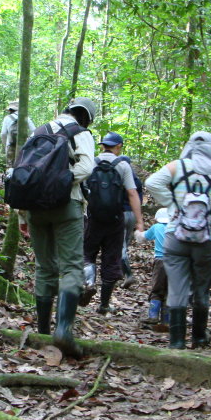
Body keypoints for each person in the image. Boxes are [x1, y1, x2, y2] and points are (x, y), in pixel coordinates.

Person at [20, 97, 97, 358]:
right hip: (68, 205)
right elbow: (87, 167)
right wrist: (62, 182)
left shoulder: (38, 131)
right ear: (86, 117)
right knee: (72, 266)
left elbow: (24, 171)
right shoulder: (81, 133)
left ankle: (43, 331)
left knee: (44, 267)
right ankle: (63, 329)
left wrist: (22, 216)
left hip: (34, 208)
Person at [144, 131, 211, 349]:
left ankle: (176, 341)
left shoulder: (178, 166)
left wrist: (174, 205)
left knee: (176, 288)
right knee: (202, 289)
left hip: (176, 235)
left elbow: (151, 182)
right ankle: (199, 338)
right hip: (207, 238)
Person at [82, 132, 144, 315]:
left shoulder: (91, 163)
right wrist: (139, 221)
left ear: (103, 146)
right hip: (116, 220)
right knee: (111, 260)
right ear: (119, 147)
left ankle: (89, 282)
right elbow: (132, 193)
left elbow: (81, 187)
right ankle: (104, 304)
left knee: (87, 254)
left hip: (93, 218)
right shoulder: (123, 165)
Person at [135, 208, 169, 324]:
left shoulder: (157, 227)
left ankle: (153, 316)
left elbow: (142, 238)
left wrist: (137, 232)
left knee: (157, 288)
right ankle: (166, 320)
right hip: (175, 262)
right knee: (169, 291)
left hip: (160, 262)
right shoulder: (175, 228)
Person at [119, 155, 144, 289]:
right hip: (132, 214)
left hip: (121, 213)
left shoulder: (119, 177)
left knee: (120, 246)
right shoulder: (137, 181)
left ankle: (128, 274)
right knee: (125, 245)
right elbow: (138, 199)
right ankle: (121, 273)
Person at [0, 100, 35, 167]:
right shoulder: (26, 118)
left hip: (10, 145)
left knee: (10, 166)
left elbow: (3, 134)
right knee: (22, 165)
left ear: (10, 110)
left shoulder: (7, 118)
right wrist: (29, 140)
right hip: (24, 146)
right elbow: (33, 130)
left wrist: (6, 145)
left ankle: (9, 176)